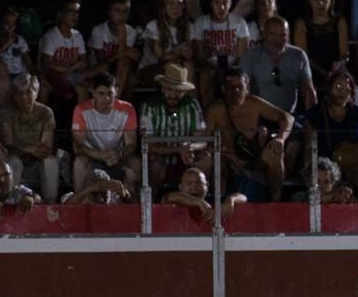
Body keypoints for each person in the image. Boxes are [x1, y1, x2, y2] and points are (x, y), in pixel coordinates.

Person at [205, 69, 294, 202]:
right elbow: (203, 141)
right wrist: (224, 154)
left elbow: (287, 118)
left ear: (247, 88)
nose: (236, 91)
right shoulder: (215, 110)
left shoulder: (255, 104)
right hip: (226, 160)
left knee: (275, 154)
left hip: (254, 159)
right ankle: (220, 204)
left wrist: (280, 139)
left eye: (240, 87)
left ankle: (275, 201)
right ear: (223, 89)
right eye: (231, 88)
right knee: (217, 162)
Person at [301, 69, 358, 201]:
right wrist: (309, 170)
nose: (343, 90)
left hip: (351, 165)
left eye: (347, 87)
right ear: (330, 89)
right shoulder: (316, 113)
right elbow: (309, 146)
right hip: (326, 166)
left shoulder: (357, 113)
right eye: (338, 86)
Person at [141, 63, 211, 200]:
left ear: (184, 91)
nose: (173, 94)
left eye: (178, 91)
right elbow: (148, 144)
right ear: (162, 88)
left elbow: (202, 139)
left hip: (186, 157)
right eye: (169, 90)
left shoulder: (192, 105)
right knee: (154, 164)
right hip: (161, 157)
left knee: (206, 159)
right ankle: (152, 204)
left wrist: (191, 147)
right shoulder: (149, 106)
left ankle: (205, 202)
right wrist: (178, 149)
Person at [70, 72, 139, 196]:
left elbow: (131, 145)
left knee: (135, 162)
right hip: (92, 156)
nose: (106, 99)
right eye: (101, 94)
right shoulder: (81, 110)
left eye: (110, 94)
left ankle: (133, 203)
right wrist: (99, 155)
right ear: (93, 92)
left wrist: (119, 154)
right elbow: (78, 147)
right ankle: (78, 202)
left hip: (117, 157)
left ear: (116, 91)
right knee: (79, 162)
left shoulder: (127, 109)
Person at [0, 73, 58, 202]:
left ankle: (50, 205)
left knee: (50, 162)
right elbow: (9, 147)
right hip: (14, 159)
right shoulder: (6, 113)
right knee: (14, 162)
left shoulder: (46, 113)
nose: (24, 98)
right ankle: (11, 201)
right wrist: (28, 149)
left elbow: (46, 147)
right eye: (20, 93)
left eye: (29, 93)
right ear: (14, 95)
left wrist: (38, 151)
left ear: (36, 93)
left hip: (36, 162)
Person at [239, 15, 316, 117]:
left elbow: (308, 90)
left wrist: (312, 119)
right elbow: (242, 89)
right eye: (272, 34)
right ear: (264, 34)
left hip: (290, 116)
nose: (277, 40)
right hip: (259, 116)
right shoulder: (250, 56)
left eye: (282, 35)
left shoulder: (299, 55)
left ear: (288, 35)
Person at [192, 0, 249, 107]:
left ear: (230, 4)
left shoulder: (239, 22)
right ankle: (209, 113)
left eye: (225, 2)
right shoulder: (201, 22)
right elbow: (199, 57)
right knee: (206, 74)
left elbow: (241, 55)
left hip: (233, 66)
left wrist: (230, 70)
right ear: (211, 4)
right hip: (210, 67)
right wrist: (215, 68)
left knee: (240, 76)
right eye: (217, 2)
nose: (221, 7)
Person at [38, 0, 100, 105]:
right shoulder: (51, 36)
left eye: (77, 12)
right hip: (55, 76)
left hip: (74, 74)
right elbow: (46, 64)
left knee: (102, 69)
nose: (75, 15)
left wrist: (74, 68)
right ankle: (80, 121)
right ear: (61, 14)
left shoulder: (78, 35)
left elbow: (83, 61)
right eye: (71, 12)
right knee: (81, 89)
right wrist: (68, 69)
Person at [292, 0, 347, 90]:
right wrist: (324, 73)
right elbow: (303, 56)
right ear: (309, 1)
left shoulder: (340, 21)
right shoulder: (301, 23)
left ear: (330, 0)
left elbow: (344, 53)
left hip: (335, 71)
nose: (320, 3)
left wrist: (339, 64)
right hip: (310, 69)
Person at [89, 0, 142, 102]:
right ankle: (115, 103)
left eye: (125, 11)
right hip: (100, 68)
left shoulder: (131, 31)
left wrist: (122, 33)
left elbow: (126, 60)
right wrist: (124, 52)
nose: (121, 15)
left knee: (130, 73)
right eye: (117, 10)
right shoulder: (98, 30)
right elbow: (103, 61)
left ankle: (121, 106)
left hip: (120, 70)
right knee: (123, 64)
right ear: (110, 12)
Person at [139, 0, 194, 87]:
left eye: (179, 4)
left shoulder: (189, 26)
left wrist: (187, 53)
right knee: (175, 68)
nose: (175, 8)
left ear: (184, 7)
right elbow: (161, 57)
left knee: (188, 66)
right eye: (171, 4)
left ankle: (190, 101)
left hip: (178, 65)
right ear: (164, 6)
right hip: (151, 68)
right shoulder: (153, 26)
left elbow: (189, 54)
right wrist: (179, 52)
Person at [164, 166, 247, 222]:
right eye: (189, 184)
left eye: (199, 183)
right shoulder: (175, 199)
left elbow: (243, 197)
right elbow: (170, 197)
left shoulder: (214, 200)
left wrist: (230, 200)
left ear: (207, 186)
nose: (194, 187)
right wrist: (199, 202)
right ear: (181, 187)